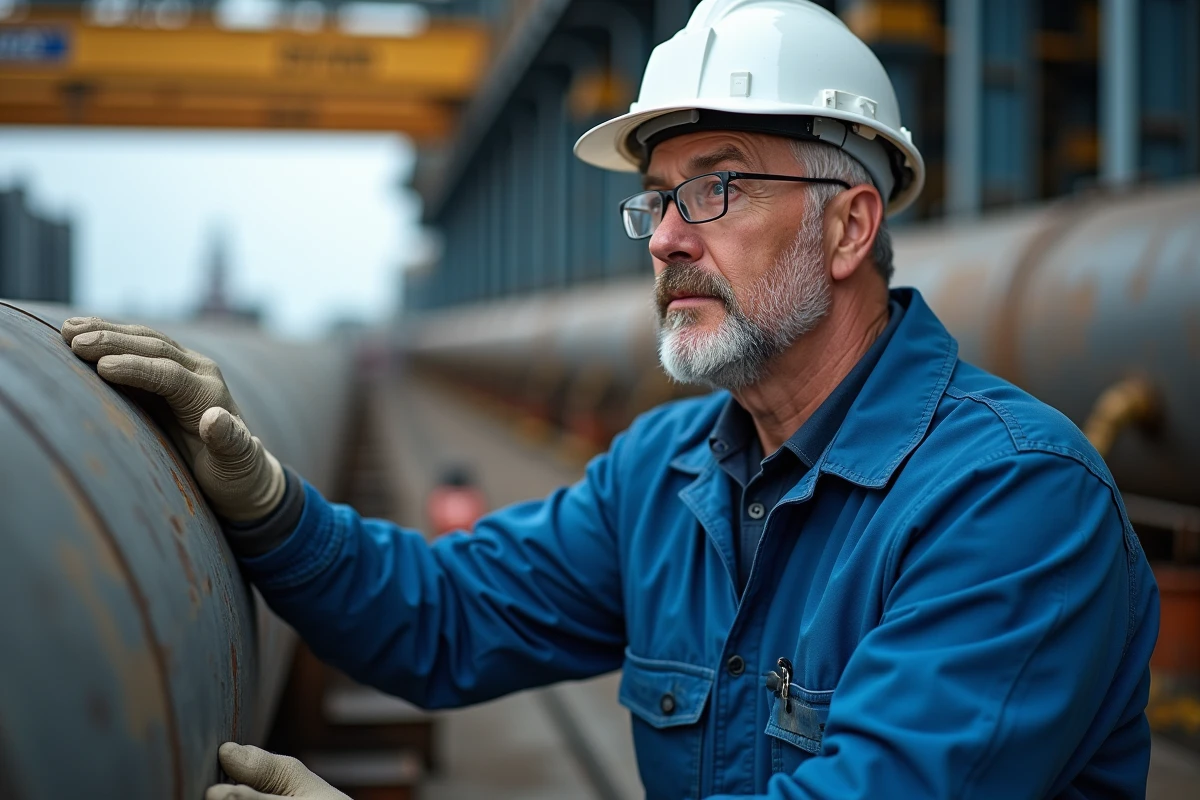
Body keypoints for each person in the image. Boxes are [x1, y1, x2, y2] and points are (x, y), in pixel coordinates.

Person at [63, 1, 1159, 798]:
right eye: (657, 201)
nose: (669, 236)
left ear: (849, 227)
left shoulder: (1009, 500)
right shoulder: (668, 472)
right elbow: (443, 619)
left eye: (715, 187)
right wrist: (265, 504)